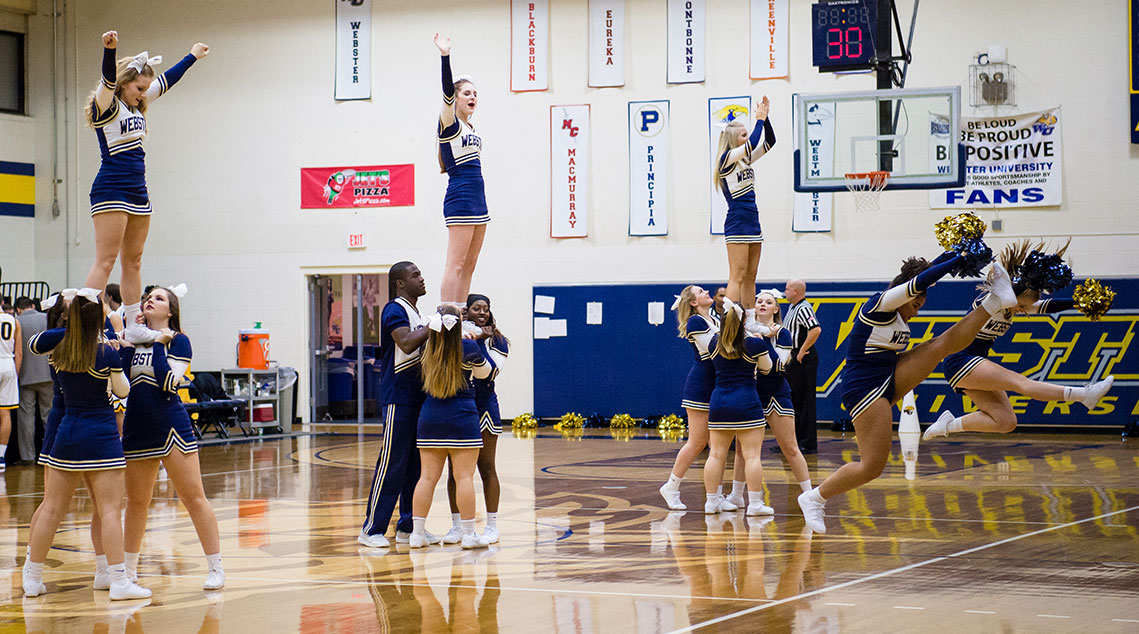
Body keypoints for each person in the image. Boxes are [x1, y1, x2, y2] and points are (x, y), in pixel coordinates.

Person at [798, 252, 1019, 534]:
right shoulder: (880, 303)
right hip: (864, 388)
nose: (916, 311)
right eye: (915, 305)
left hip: (889, 373)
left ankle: (994, 302)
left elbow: (925, 274)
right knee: (872, 466)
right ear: (905, 295)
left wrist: (957, 254)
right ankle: (813, 498)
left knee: (942, 344)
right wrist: (956, 262)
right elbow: (921, 279)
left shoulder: (900, 304)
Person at [23, 289, 150, 599]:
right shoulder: (105, 352)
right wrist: (119, 348)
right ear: (99, 318)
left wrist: (70, 327)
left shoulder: (60, 345)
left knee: (51, 508)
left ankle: (32, 578)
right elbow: (122, 391)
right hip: (101, 434)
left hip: (66, 433)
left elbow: (33, 344)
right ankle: (119, 581)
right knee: (108, 511)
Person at [82, 30, 208, 344]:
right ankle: (85, 328)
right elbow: (107, 81)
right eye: (138, 88)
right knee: (106, 260)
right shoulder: (107, 105)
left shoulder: (138, 105)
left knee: (133, 261)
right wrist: (110, 52)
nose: (143, 94)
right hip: (111, 187)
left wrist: (192, 56)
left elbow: (167, 81)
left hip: (139, 191)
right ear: (124, 83)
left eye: (144, 90)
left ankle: (133, 324)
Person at [925, 241, 1114, 440]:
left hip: (974, 360)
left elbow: (1047, 306)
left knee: (1005, 422)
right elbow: (1005, 287)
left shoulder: (1012, 306)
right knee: (1021, 383)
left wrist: (1078, 302)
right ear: (1012, 294)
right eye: (1022, 306)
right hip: (960, 359)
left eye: (1025, 308)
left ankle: (946, 425)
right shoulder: (992, 301)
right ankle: (1084, 395)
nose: (1022, 311)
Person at [120, 286, 224, 590]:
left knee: (193, 498)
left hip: (171, 426)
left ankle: (216, 566)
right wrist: (129, 344)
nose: (150, 300)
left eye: (159, 298)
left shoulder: (178, 341)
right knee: (137, 501)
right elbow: (123, 385)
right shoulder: (137, 338)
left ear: (171, 311)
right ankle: (128, 570)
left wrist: (156, 343)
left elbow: (168, 382)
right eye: (148, 297)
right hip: (138, 426)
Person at [359, 262, 438, 548]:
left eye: (420, 272)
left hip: (419, 399)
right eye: (415, 274)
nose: (422, 277)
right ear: (400, 283)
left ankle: (407, 527)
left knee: (415, 467)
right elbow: (405, 343)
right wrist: (434, 326)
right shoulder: (395, 309)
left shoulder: (417, 312)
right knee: (391, 463)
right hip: (399, 398)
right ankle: (372, 529)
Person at [408, 305, 496, 549]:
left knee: (426, 478)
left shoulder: (427, 347)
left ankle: (417, 535)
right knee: (464, 477)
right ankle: (469, 535)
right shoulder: (468, 347)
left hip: (430, 417)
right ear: (461, 323)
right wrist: (477, 341)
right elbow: (485, 374)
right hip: (462, 417)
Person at [443, 293, 509, 544]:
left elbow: (489, 372)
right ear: (465, 313)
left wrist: (479, 339)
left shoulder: (498, 341)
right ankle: (457, 525)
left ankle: (492, 525)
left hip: (485, 408)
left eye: (486, 309)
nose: (482, 312)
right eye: (475, 308)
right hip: (458, 408)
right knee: (456, 472)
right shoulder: (454, 338)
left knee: (487, 467)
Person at [705, 298, 777, 516]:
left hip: (719, 402)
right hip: (746, 401)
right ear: (745, 320)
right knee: (752, 455)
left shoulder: (713, 343)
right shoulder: (754, 344)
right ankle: (755, 505)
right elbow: (767, 368)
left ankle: (711, 502)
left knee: (716, 455)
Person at [434, 33, 488, 305]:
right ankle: (448, 316)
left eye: (476, 93)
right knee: (455, 264)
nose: (473, 96)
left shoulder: (470, 127)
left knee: (470, 265)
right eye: (467, 92)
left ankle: (462, 315)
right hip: (461, 196)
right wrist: (445, 56)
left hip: (478, 197)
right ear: (454, 98)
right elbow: (446, 89)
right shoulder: (450, 122)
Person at [714, 97, 775, 327]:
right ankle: (728, 323)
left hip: (753, 220)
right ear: (732, 139)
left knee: (751, 275)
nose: (748, 137)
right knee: (737, 276)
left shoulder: (746, 159)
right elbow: (754, 143)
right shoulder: (727, 159)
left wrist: (765, 119)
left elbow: (770, 141)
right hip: (738, 220)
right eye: (743, 135)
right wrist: (758, 119)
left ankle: (750, 320)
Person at [660, 285, 720, 510]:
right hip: (701, 385)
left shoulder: (714, 318)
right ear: (693, 302)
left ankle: (717, 494)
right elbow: (715, 349)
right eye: (701, 291)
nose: (707, 292)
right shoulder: (696, 321)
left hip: (717, 384)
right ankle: (671, 486)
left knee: (718, 445)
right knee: (697, 442)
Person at [753, 291, 813, 493]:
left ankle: (809, 493)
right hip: (752, 395)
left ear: (776, 308)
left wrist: (761, 341)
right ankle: (739, 496)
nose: (763, 304)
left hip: (777, 394)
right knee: (746, 453)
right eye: (759, 301)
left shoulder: (783, 333)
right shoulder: (745, 332)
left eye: (768, 302)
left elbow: (777, 366)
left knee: (791, 448)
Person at [783, 279, 821, 453]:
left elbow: (815, 330)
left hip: (803, 359)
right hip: (794, 358)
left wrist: (802, 350)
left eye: (787, 289)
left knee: (805, 402)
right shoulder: (792, 308)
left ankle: (808, 443)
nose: (785, 292)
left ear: (796, 291)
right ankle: (795, 441)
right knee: (794, 402)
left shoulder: (804, 308)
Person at [16, 297, 51, 465]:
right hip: (47, 374)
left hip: (25, 376)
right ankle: (51, 453)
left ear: (18, 309)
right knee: (49, 416)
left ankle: (27, 457)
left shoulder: (17, 321)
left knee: (26, 419)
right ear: (32, 306)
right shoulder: (46, 318)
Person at [0, 307, 22, 470]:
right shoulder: (14, 321)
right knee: (5, 413)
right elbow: (19, 353)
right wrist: (16, 374)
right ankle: (1, 457)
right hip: (9, 363)